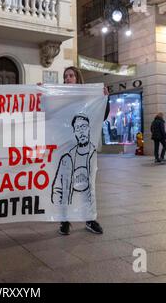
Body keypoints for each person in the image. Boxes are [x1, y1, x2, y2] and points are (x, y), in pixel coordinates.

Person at [56, 66, 108, 235]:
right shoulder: (60, 98)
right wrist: (42, 92)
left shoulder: (88, 99)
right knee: (65, 185)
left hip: (86, 150)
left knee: (89, 185)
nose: (67, 79)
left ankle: (90, 219)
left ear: (77, 78)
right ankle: (64, 221)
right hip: (66, 148)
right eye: (65, 76)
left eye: (71, 76)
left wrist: (105, 99)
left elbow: (101, 115)